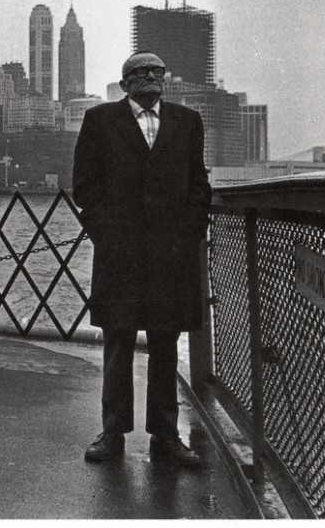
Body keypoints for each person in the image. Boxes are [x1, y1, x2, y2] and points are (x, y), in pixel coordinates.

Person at [72, 51, 211, 466]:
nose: (152, 77)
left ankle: (165, 437)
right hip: (120, 256)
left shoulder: (188, 122)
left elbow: (197, 185)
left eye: (157, 71)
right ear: (125, 81)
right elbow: (85, 188)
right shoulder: (99, 121)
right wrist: (107, 236)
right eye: (142, 72)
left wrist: (188, 233)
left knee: (166, 341)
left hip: (170, 255)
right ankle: (112, 433)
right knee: (118, 340)